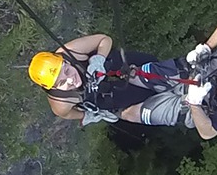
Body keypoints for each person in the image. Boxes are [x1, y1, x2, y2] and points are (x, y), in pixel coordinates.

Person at [27, 34, 158, 126]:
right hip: (100, 95)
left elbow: (104, 40)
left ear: (66, 62)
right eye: (61, 83)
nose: (70, 80)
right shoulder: (60, 103)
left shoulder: (70, 51)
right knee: (148, 95)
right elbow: (66, 114)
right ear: (53, 88)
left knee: (151, 64)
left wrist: (99, 59)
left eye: (67, 71)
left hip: (107, 65)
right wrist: (87, 116)